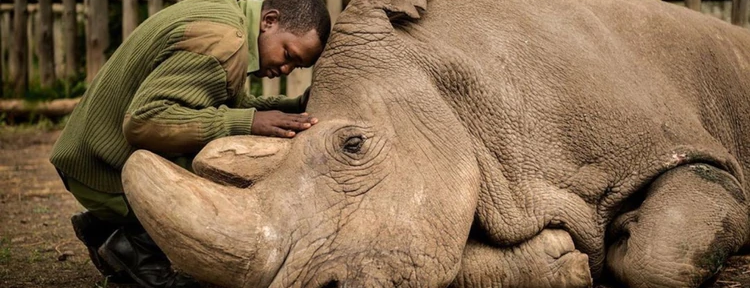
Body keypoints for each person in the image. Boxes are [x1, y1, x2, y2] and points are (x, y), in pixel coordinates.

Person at [49, 0, 331, 287]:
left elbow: (216, 104)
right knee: (230, 165)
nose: (286, 69)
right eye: (288, 54)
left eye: (297, 66)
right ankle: (135, 243)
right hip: (101, 173)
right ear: (269, 21)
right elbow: (144, 122)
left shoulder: (227, 18)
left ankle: (106, 227)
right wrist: (247, 123)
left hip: (89, 158)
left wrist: (293, 107)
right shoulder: (223, 40)